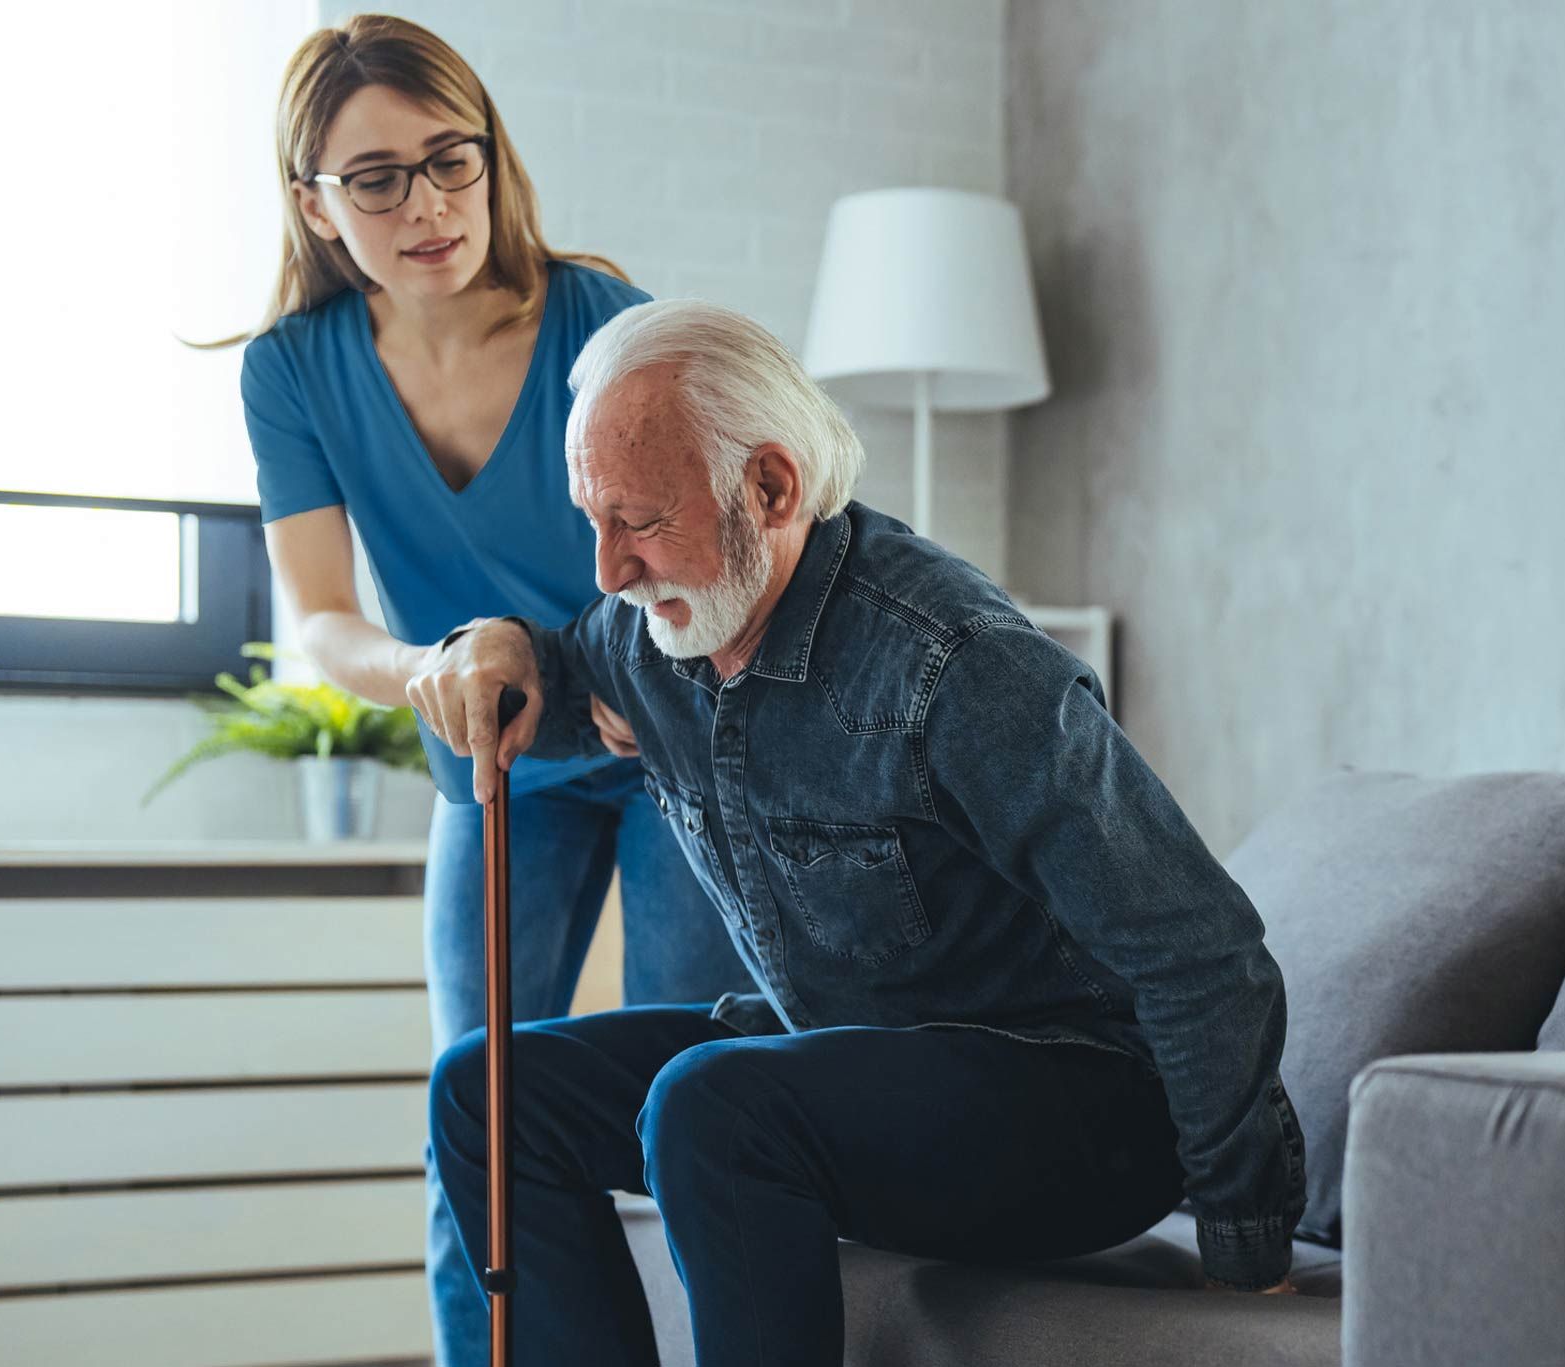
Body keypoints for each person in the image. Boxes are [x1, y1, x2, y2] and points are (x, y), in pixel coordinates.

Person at [409, 299, 1308, 1365]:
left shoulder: (957, 664)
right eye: (590, 518)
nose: (608, 569)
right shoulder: (656, 634)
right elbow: (551, 680)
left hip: (1069, 1100)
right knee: (486, 1089)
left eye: (641, 521)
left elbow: (1199, 948)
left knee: (711, 1106)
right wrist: (490, 644)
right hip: (837, 1058)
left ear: (771, 487)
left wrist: (1245, 1241)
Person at [225, 18, 749, 1366]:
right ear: (314, 203)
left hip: (664, 744)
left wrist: (626, 666)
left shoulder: (602, 320)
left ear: (490, 156)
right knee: (480, 1109)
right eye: (376, 177)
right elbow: (326, 622)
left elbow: (688, 555)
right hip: (491, 758)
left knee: (682, 1092)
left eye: (448, 158)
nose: (426, 203)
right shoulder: (292, 370)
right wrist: (434, 666)